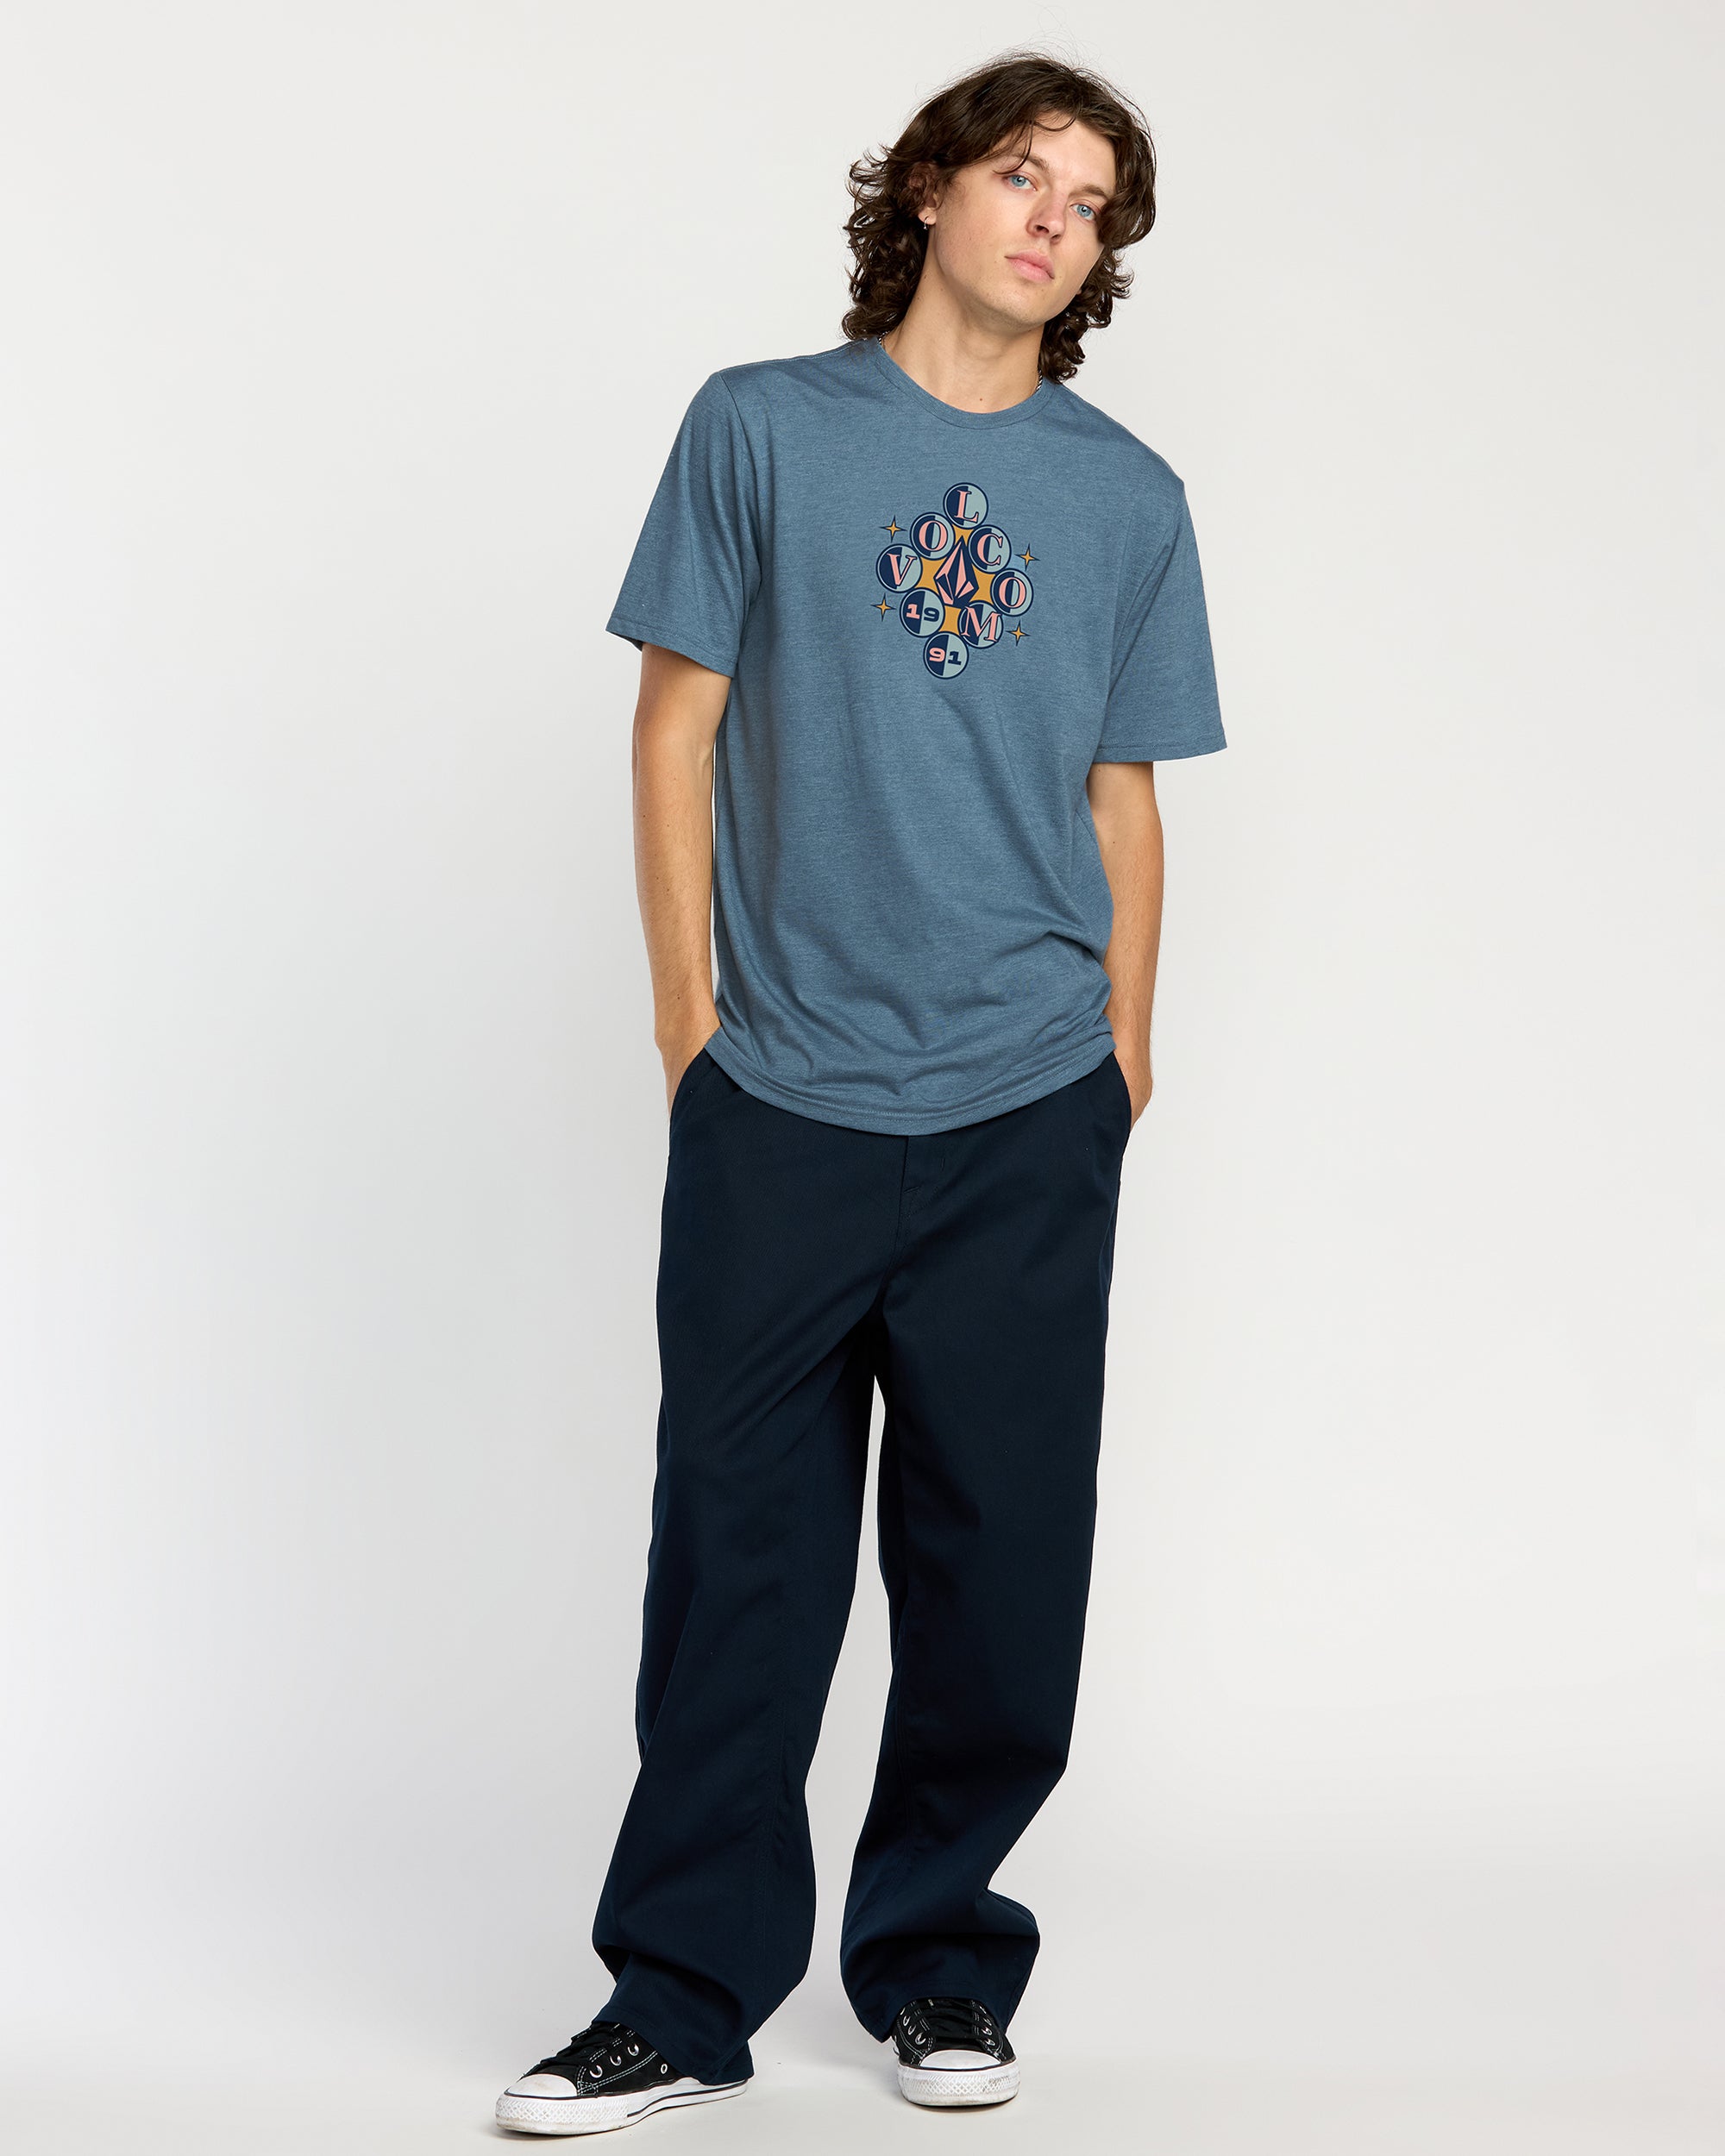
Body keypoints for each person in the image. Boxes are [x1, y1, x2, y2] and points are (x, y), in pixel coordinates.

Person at [496, 47, 1226, 2137]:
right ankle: (676, 1994)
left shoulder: (1129, 496)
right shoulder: (759, 428)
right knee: (739, 1555)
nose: (1051, 220)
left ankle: (938, 1965)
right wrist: (688, 1024)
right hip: (785, 1092)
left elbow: (1125, 798)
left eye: (1089, 203)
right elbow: (674, 725)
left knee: (1001, 1561)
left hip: (1025, 1100)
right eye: (1021, 175)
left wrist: (1121, 1053)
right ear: (926, 188)